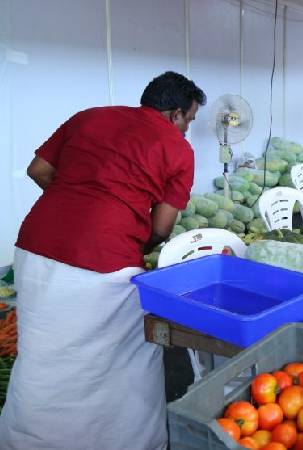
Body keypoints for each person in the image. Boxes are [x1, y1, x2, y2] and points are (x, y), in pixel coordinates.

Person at [0, 71, 205, 449]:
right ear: (176, 113)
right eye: (189, 121)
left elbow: (38, 171)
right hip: (104, 260)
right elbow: (161, 226)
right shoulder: (177, 149)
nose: (187, 130)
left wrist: (77, 198)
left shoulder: (90, 116)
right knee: (125, 357)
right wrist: (120, 224)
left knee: (43, 354)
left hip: (34, 246)